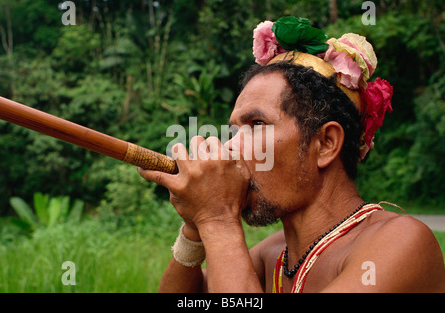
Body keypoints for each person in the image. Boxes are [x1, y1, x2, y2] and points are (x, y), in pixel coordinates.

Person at [138, 17, 445, 293]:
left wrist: (216, 218)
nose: (230, 146)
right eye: (233, 131)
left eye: (256, 124)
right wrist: (195, 227)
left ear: (325, 143)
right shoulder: (273, 255)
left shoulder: (401, 243)